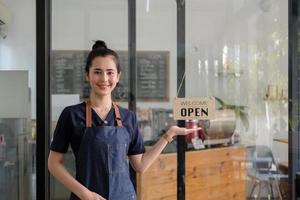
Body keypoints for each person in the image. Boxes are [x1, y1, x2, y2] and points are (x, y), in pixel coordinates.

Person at [48, 40, 200, 200]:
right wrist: (83, 193)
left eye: (110, 72)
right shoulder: (71, 115)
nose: (104, 78)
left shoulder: (128, 117)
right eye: (97, 72)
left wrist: (169, 134)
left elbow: (140, 165)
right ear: (87, 75)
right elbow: (54, 163)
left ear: (118, 76)